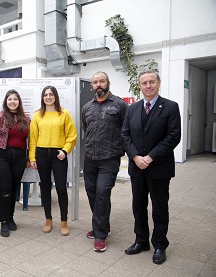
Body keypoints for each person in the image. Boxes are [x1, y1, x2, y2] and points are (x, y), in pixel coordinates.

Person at [121, 70, 181, 265]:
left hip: (159, 167)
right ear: (140, 86)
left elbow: (173, 136)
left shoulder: (171, 107)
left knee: (159, 208)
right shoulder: (132, 109)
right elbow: (125, 135)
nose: (148, 86)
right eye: (144, 83)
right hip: (137, 167)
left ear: (159, 83)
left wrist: (150, 157)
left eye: (152, 82)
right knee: (138, 206)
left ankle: (160, 245)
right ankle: (141, 241)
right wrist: (136, 156)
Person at [81, 71, 128, 252]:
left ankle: (100, 235)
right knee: (92, 193)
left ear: (108, 83)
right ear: (92, 85)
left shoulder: (120, 105)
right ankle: (102, 224)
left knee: (102, 193)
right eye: (95, 82)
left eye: (102, 81)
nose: (98, 84)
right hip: (91, 157)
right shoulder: (87, 107)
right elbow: (86, 128)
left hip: (110, 158)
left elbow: (126, 130)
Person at [29, 85, 77, 236]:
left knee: (62, 188)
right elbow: (33, 139)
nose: (48, 97)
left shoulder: (64, 114)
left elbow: (72, 136)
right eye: (45, 95)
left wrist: (65, 150)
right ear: (42, 98)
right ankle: (48, 219)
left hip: (58, 155)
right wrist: (32, 157)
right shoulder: (37, 115)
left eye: (51, 94)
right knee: (45, 187)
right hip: (42, 154)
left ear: (55, 96)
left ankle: (64, 221)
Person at [0, 89, 31, 237]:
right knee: (5, 190)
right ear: (6, 102)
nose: (12, 102)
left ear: (19, 102)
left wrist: (28, 159)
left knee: (14, 188)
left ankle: (11, 217)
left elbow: (30, 139)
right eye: (10, 99)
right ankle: (3, 222)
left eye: (15, 99)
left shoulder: (26, 119)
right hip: (2, 155)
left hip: (19, 157)